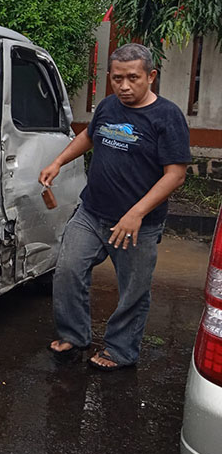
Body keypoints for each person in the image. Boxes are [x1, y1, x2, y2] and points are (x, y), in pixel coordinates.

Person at [39, 43, 190, 371]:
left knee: (133, 290)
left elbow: (176, 175)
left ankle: (121, 350)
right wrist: (59, 161)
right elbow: (90, 136)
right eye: (117, 78)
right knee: (67, 271)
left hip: (139, 223)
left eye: (133, 78)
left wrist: (136, 213)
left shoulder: (167, 117)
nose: (124, 86)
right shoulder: (108, 106)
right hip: (92, 212)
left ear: (151, 76)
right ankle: (74, 335)